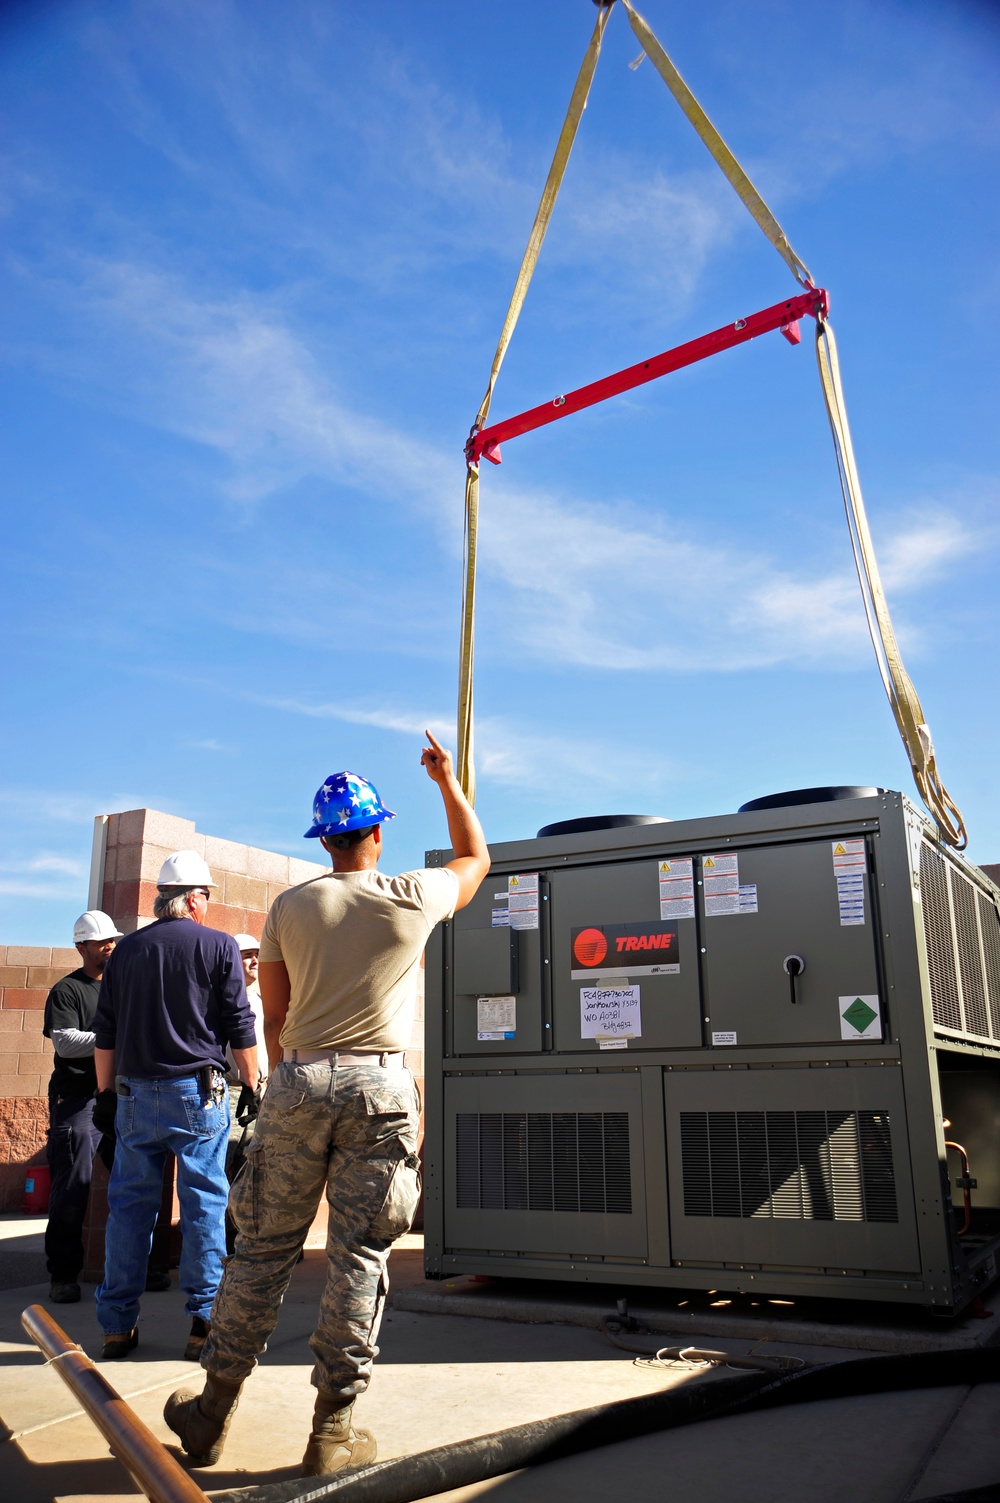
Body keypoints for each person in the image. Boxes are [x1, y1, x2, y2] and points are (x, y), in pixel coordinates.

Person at [165, 731, 489, 1476]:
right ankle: (332, 1430)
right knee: (358, 1257)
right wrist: (445, 782)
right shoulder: (412, 895)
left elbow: (273, 1018)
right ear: (378, 832)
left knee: (262, 1252)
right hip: (380, 1088)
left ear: (324, 838)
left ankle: (210, 1414)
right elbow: (476, 859)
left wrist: (294, 1085)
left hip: (299, 1079)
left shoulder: (288, 907)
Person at [92, 850, 258, 1361]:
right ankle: (204, 1322)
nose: (207, 905)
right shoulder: (218, 946)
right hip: (198, 1094)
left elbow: (107, 1033)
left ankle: (116, 1327)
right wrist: (252, 1083)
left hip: (135, 1095)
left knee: (128, 1209)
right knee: (205, 1201)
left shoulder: (124, 952)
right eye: (206, 896)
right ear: (191, 898)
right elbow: (238, 1023)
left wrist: (103, 1096)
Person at [42, 910, 123, 1303]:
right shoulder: (67, 990)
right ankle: (63, 1274)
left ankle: (138, 1267)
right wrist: (111, 1038)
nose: (109, 946)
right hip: (77, 1101)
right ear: (81, 947)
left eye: (112, 940)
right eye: (100, 942)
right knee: (73, 1186)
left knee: (131, 1179)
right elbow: (65, 1042)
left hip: (117, 1098)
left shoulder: (120, 987)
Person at [224, 935, 269, 1253]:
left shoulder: (266, 1000)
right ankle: (227, 1240)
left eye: (257, 955)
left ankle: (252, 1239)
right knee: (226, 1168)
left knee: (256, 1170)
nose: (255, 961)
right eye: (247, 955)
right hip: (231, 1093)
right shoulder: (223, 999)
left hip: (263, 1093)